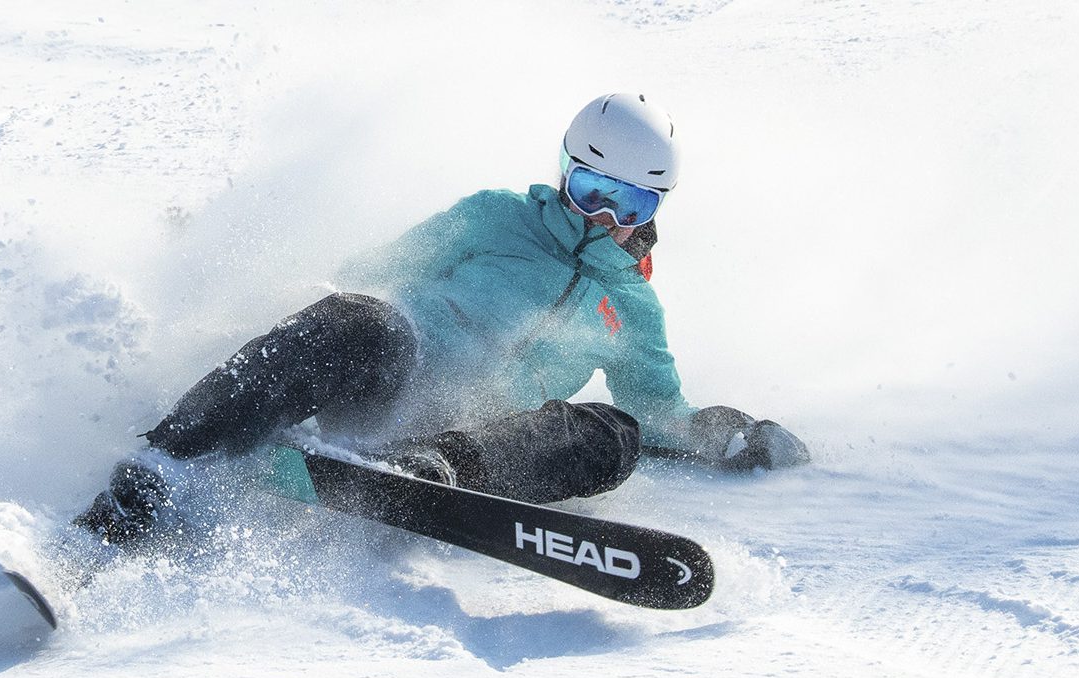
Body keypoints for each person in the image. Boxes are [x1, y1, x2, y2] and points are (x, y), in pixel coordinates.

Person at [74, 93, 809, 546]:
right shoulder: (495, 218)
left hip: (467, 439)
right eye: (590, 189)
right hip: (394, 374)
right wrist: (238, 286)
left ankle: (420, 477)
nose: (605, 216)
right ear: (564, 171)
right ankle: (157, 470)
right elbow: (369, 271)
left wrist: (733, 435)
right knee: (366, 320)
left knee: (613, 434)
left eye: (631, 205)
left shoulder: (635, 309)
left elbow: (661, 409)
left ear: (656, 210)